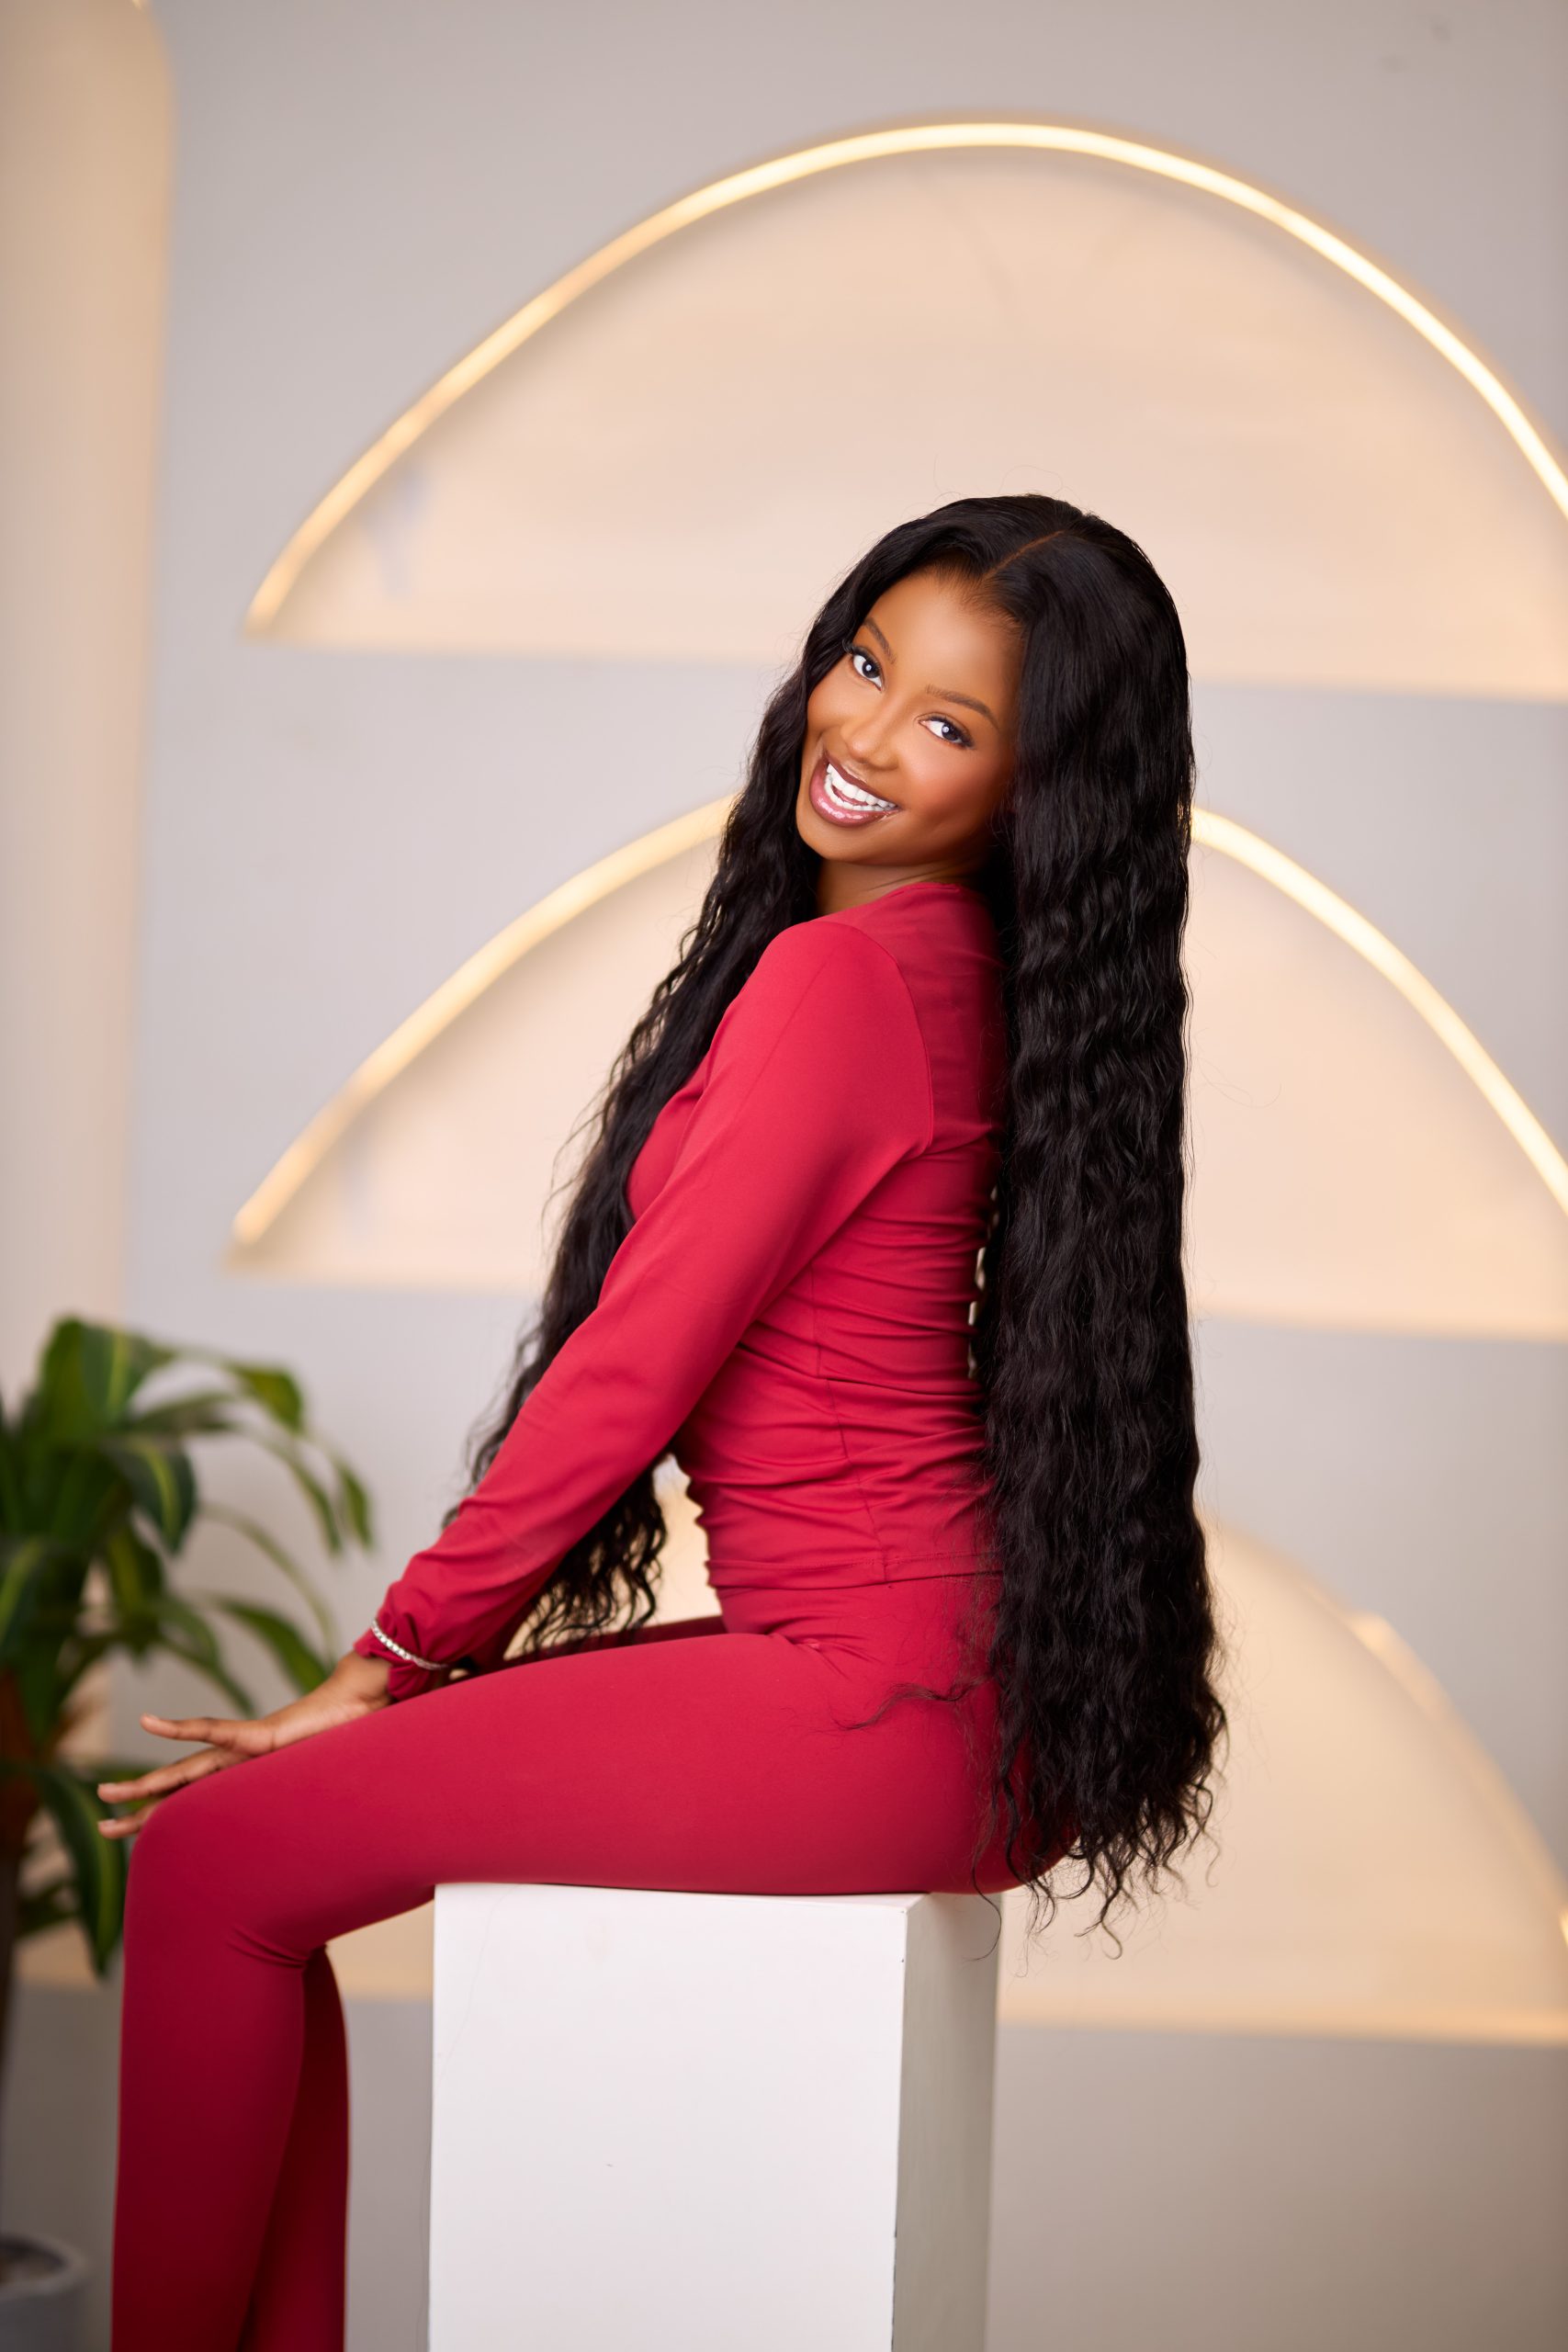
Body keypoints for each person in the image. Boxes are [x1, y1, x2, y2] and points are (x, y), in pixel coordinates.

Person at [98, 492, 1226, 2348]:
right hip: (943, 1689)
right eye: (863, 662)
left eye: (948, 723)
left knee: (212, 1863)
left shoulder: (841, 982)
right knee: (254, 1858)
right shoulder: (968, 975)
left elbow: (632, 1373)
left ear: (1032, 789)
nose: (865, 733)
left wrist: (394, 1654)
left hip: (874, 1696)